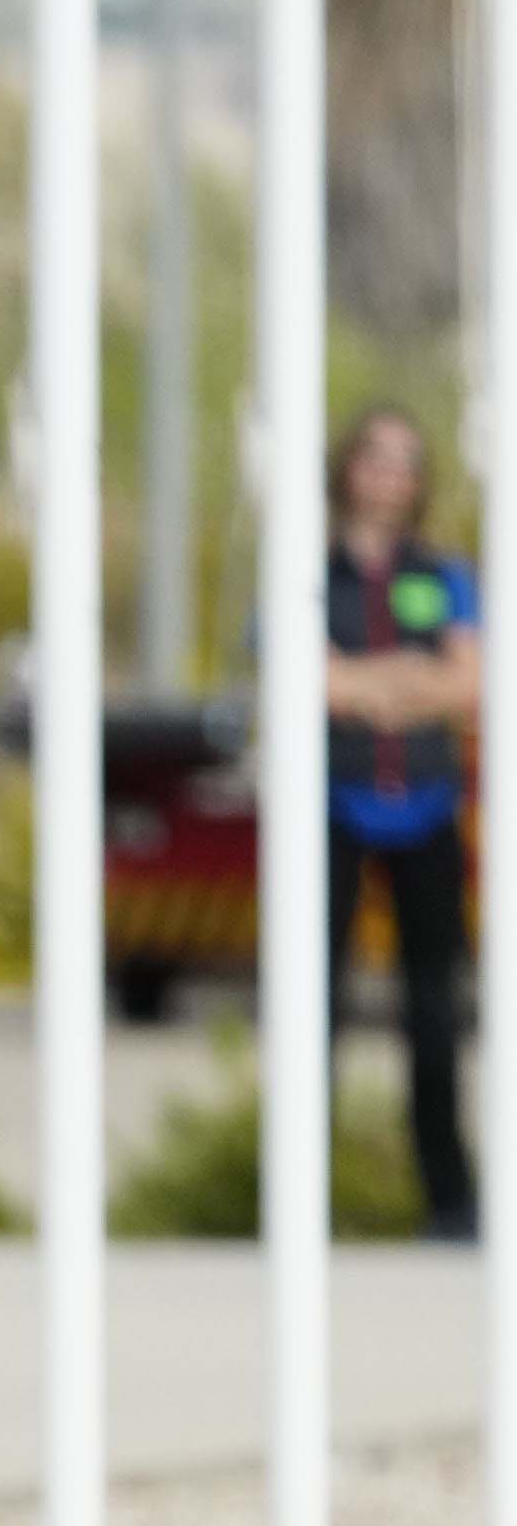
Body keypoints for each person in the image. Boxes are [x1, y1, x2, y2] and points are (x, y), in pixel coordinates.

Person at [323, 405, 482, 1242]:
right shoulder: (311, 574)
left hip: (424, 806)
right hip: (335, 805)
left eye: (404, 462)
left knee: (434, 1012)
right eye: (373, 458)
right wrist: (408, 678)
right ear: (347, 468)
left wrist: (366, 684)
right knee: (317, 1006)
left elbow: (468, 685)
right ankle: (306, 1193)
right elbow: (308, 680)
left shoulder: (442, 573)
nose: (387, 476)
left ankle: (449, 1198)